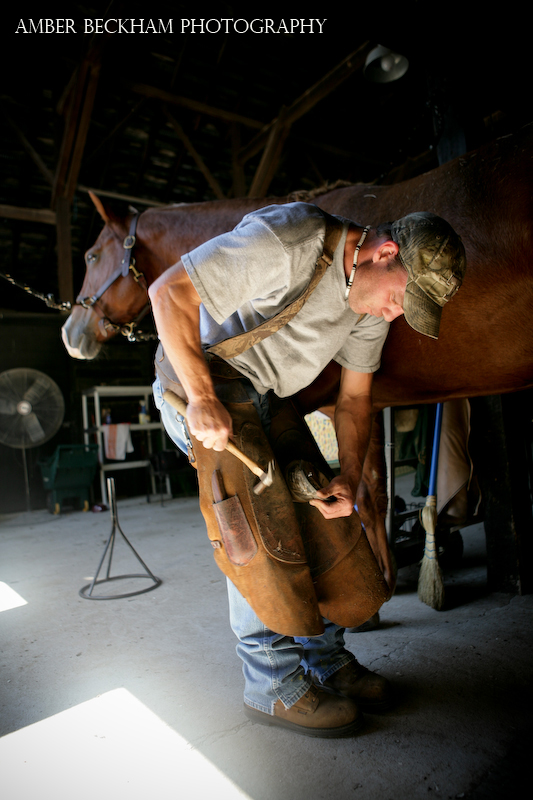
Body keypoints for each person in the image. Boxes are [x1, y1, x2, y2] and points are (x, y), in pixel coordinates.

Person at [149, 202, 466, 738]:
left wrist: (348, 476)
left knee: (320, 509)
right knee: (257, 524)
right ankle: (270, 683)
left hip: (266, 398)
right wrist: (201, 398)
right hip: (196, 387)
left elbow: (354, 400)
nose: (393, 314)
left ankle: (325, 660)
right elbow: (167, 293)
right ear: (384, 254)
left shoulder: (368, 308)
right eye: (398, 298)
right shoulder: (289, 242)